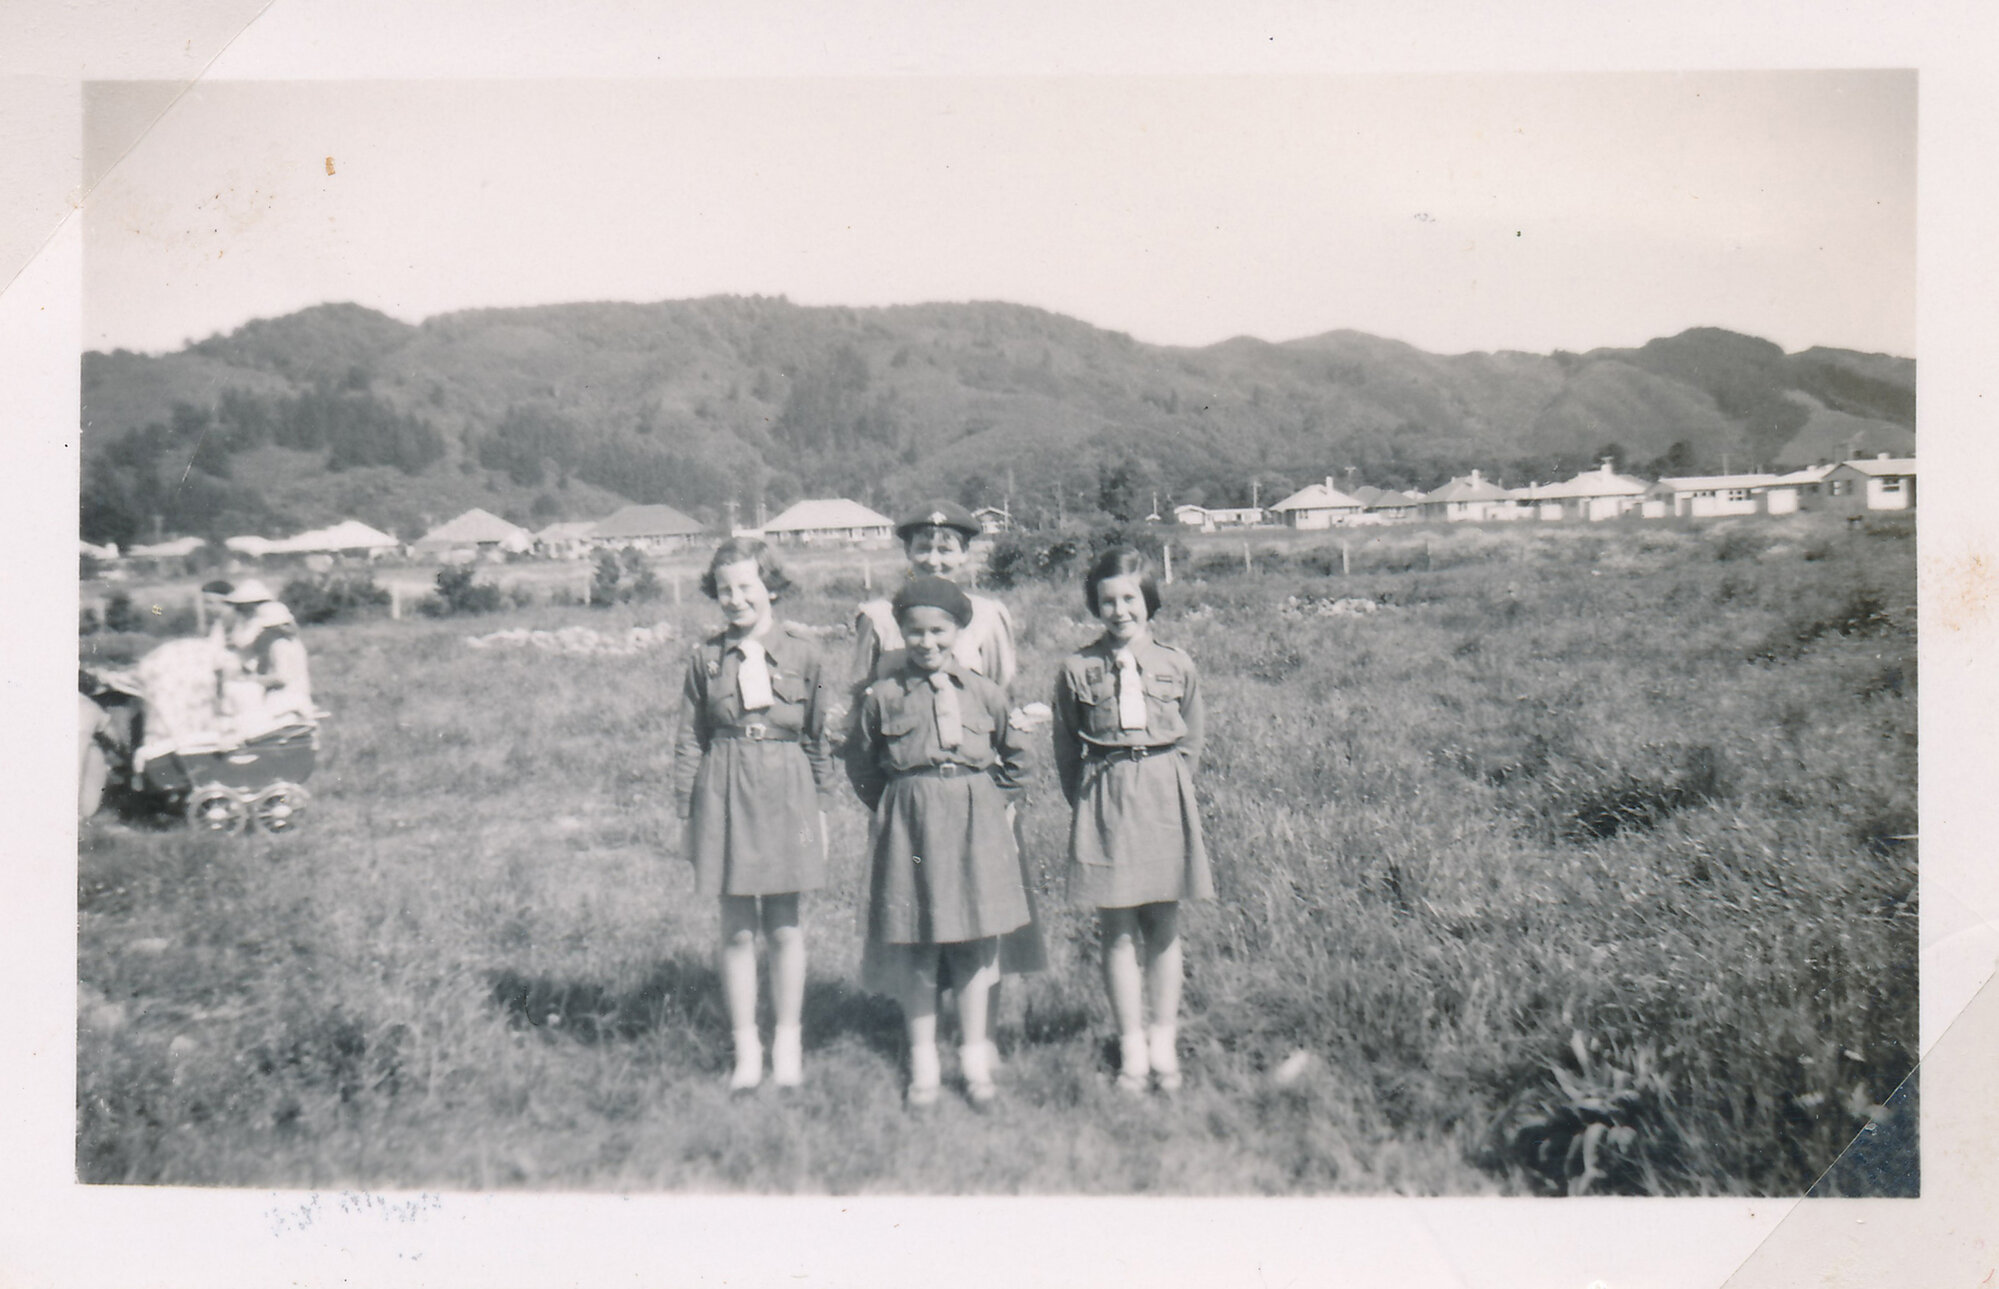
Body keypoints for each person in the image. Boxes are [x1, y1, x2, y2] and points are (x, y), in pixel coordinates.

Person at [852, 500, 1046, 1065]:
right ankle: (923, 1042)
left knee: (982, 917)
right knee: (916, 915)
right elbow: (861, 705)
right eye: (923, 547)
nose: (935, 558)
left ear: (965, 554)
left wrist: (1001, 798)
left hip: (975, 794)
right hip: (911, 794)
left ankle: (976, 1041)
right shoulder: (879, 616)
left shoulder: (988, 615)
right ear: (907, 551)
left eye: (948, 548)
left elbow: (1001, 700)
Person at [672, 539, 838, 1093]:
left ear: (770, 585)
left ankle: (787, 1041)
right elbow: (689, 742)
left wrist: (820, 811)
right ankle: (747, 1048)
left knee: (786, 924)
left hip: (788, 788)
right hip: (723, 786)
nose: (735, 599)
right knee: (737, 926)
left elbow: (817, 739)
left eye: (746, 586)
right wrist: (688, 815)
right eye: (724, 589)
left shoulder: (805, 651)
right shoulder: (705, 658)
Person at [1052, 546, 1213, 1094]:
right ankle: (1132, 1048)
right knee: (1116, 930)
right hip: (1105, 796)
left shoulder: (1177, 663)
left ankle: (1164, 1040)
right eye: (1107, 601)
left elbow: (1191, 738)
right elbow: (1066, 747)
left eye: (1130, 598)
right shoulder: (1077, 668)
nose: (1119, 610)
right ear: (1095, 606)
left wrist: (1171, 787)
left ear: (1148, 600)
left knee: (1163, 926)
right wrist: (1091, 802)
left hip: (1164, 795)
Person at [219, 579, 314, 734]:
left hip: (287, 700)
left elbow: (282, 678)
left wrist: (254, 680)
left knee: (246, 718)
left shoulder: (279, 646)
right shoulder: (293, 643)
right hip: (297, 696)